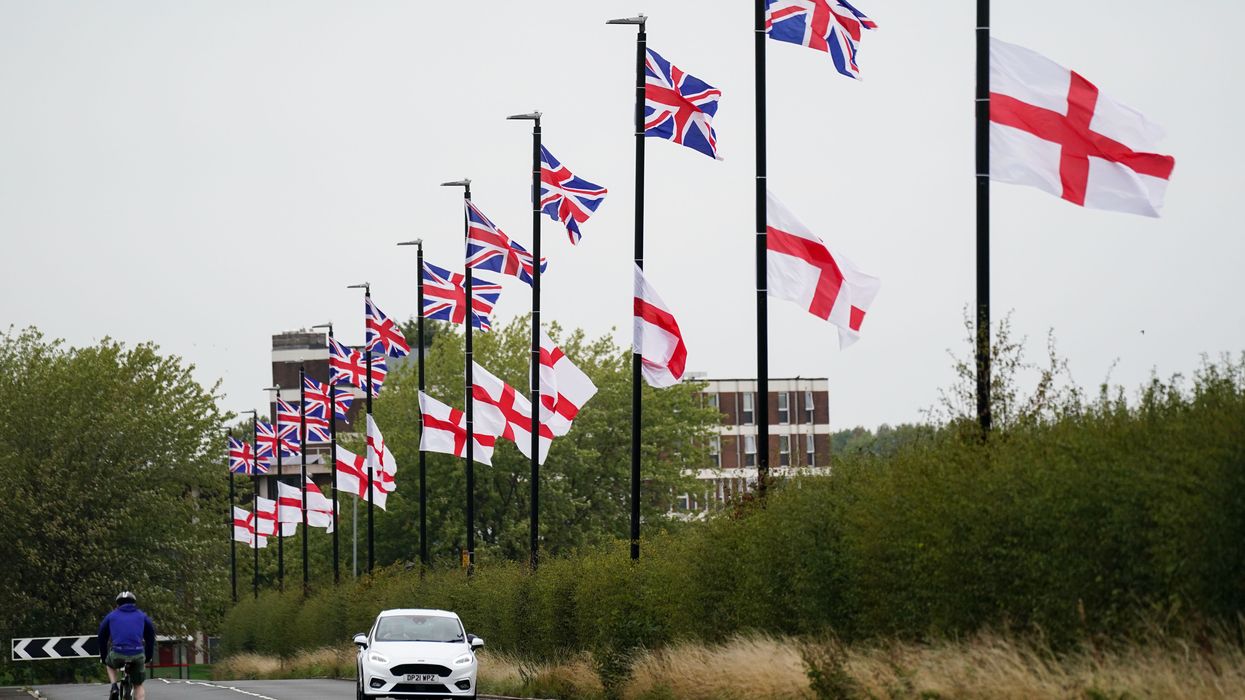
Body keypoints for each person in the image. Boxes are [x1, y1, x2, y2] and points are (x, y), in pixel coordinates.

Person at [97, 591, 155, 700]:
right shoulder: (142, 616)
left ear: (118, 604)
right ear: (134, 603)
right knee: (138, 685)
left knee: (109, 664)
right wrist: (148, 656)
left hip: (118, 652)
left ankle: (114, 686)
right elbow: (150, 636)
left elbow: (101, 635)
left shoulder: (111, 616)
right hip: (137, 653)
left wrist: (104, 656)